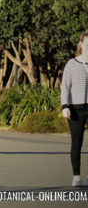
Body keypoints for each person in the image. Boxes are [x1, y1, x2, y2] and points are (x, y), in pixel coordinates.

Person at [61, 30, 88, 187]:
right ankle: (76, 176)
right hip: (75, 109)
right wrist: (65, 106)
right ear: (81, 44)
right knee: (76, 143)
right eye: (86, 44)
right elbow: (65, 86)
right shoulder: (72, 64)